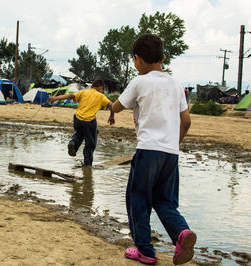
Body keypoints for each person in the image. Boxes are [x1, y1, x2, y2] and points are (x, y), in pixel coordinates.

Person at [111, 34, 195, 265]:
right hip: (171, 153)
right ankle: (181, 232)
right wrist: (173, 144)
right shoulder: (176, 85)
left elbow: (118, 106)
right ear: (163, 57)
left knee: (137, 198)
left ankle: (145, 251)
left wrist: (111, 106)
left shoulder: (139, 82)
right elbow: (186, 122)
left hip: (148, 150)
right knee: (165, 201)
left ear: (137, 59)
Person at [49, 79, 115, 166]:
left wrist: (55, 98)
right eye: (102, 89)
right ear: (100, 88)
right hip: (89, 121)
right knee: (90, 144)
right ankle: (87, 166)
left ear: (92, 86)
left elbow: (70, 96)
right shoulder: (101, 96)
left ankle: (72, 143)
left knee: (79, 134)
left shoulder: (84, 92)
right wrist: (112, 116)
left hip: (77, 119)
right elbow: (111, 105)